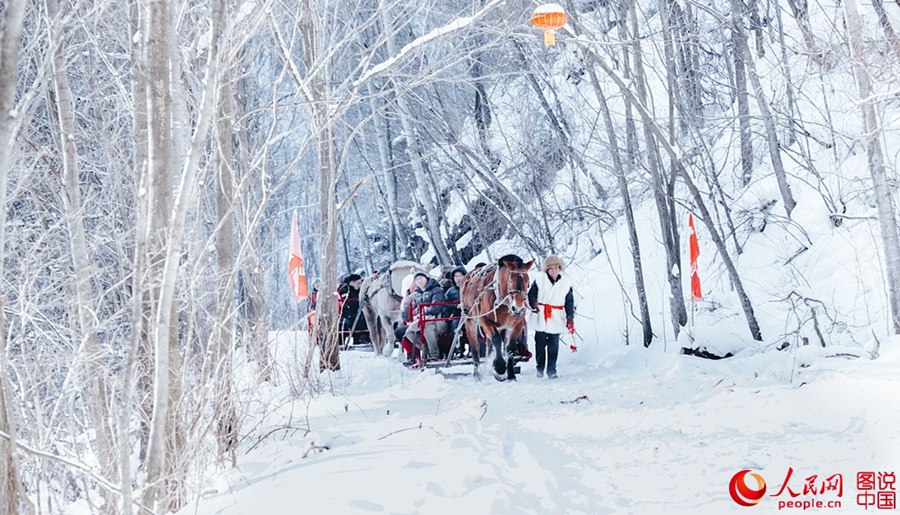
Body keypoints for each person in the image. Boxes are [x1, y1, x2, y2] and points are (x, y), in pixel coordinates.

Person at [527, 255, 575, 379]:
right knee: (540, 344)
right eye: (551, 268)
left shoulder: (565, 283)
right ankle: (540, 368)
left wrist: (570, 317)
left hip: (556, 316)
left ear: (559, 269)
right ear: (547, 270)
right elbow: (531, 293)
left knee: (554, 346)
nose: (554, 270)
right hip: (541, 314)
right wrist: (533, 303)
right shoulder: (540, 279)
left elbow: (569, 301)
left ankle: (551, 370)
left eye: (556, 268)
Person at [404, 271, 448, 365]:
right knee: (409, 332)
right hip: (422, 319)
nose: (419, 281)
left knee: (427, 327)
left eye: (421, 278)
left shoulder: (436, 290)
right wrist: (417, 312)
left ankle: (434, 355)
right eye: (417, 279)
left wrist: (425, 310)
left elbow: (437, 306)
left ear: (426, 279)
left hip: (438, 320)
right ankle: (426, 352)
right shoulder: (417, 294)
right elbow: (415, 309)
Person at [443, 266, 467, 358]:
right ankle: (458, 349)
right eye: (456, 276)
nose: (458, 279)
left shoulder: (470, 287)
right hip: (457, 315)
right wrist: (456, 306)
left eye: (460, 276)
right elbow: (445, 305)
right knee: (455, 325)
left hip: (471, 314)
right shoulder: (450, 291)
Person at [338, 273, 368, 343]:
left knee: (365, 319)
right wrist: (358, 300)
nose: (360, 285)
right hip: (348, 313)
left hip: (358, 312)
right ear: (352, 282)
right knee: (351, 322)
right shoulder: (345, 289)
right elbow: (346, 301)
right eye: (358, 283)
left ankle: (362, 338)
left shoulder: (360, 289)